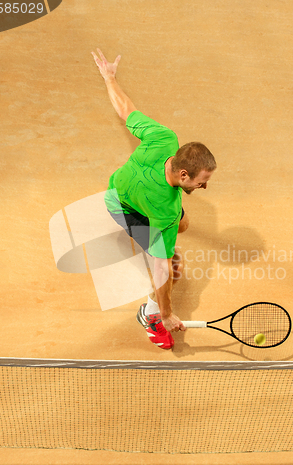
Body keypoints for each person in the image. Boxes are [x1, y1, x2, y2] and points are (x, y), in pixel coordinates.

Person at [92, 48, 217, 349]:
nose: (205, 187)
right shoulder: (166, 210)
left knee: (184, 225)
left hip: (120, 186)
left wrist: (109, 77)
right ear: (184, 174)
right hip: (121, 206)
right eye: (202, 182)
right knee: (171, 267)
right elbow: (160, 268)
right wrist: (168, 313)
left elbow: (126, 110)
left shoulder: (165, 138)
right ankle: (149, 315)